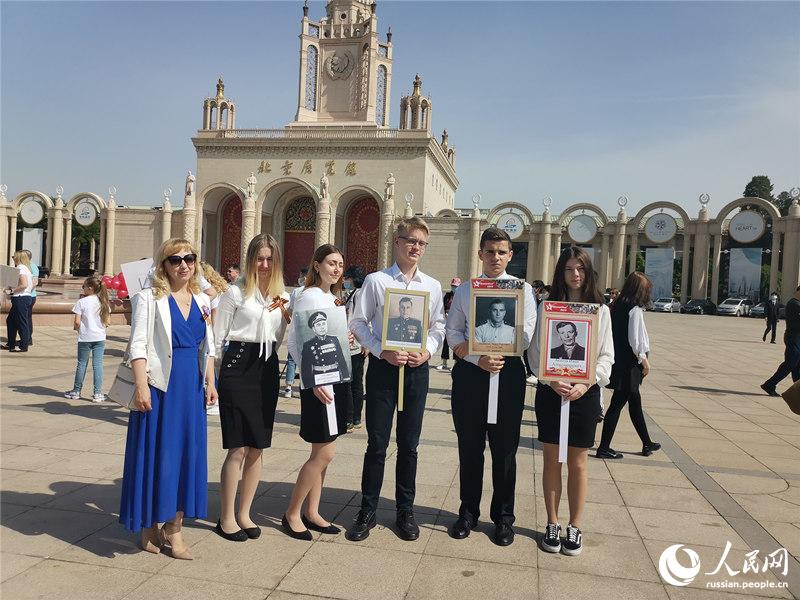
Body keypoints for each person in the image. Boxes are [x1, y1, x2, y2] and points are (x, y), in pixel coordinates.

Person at [347, 217, 446, 542]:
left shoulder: (430, 286)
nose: (416, 247)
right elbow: (359, 322)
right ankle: (368, 509)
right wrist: (379, 350)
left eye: (421, 243)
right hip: (383, 369)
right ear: (397, 242)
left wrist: (428, 351)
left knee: (410, 445)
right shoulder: (376, 281)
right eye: (411, 241)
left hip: (416, 371)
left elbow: (438, 326)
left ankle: (405, 511)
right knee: (377, 444)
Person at [119, 238, 217, 559]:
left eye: (189, 258)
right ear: (164, 265)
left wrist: (211, 382)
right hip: (160, 388)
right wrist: (141, 385)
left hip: (191, 389)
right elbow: (138, 344)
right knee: (158, 456)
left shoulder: (202, 298)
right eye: (175, 260)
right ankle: (149, 526)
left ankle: (174, 530)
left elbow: (210, 345)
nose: (184, 265)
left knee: (186, 458)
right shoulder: (150, 298)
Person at [446, 227, 536, 546]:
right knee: (470, 449)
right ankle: (468, 512)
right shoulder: (466, 290)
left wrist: (501, 351)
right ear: (480, 254)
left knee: (505, 452)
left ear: (510, 255)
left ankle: (503, 518)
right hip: (472, 375)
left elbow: (526, 335)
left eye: (502, 252)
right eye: (490, 251)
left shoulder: (522, 290)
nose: (495, 257)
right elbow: (453, 333)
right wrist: (477, 357)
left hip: (508, 373)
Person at [527, 246, 614, 556]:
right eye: (568, 269)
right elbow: (536, 351)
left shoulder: (600, 310)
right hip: (551, 392)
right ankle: (552, 522)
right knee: (551, 459)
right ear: (560, 273)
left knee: (578, 463)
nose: (575, 274)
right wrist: (550, 379)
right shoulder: (548, 307)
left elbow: (606, 356)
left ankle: (575, 525)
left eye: (580, 269)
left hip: (583, 394)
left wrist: (586, 381)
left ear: (588, 272)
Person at [213, 234, 290, 542]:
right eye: (259, 258)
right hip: (237, 364)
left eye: (270, 259)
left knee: (257, 445)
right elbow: (218, 338)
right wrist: (214, 377)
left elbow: (281, 333)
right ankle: (226, 516)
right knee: (238, 446)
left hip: (266, 367)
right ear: (250, 259)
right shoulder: (234, 292)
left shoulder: (281, 294)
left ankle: (245, 513)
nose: (264, 264)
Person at [283, 244, 349, 540]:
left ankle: (313, 511)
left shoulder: (332, 298)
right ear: (317, 265)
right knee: (324, 452)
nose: (336, 269)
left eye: (340, 264)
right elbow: (297, 342)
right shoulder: (309, 296)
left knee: (324, 451)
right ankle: (293, 513)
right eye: (331, 263)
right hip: (318, 383)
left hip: (334, 380)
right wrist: (313, 380)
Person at [595, 272, 660, 460]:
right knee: (617, 405)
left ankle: (647, 442)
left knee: (634, 403)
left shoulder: (617, 306)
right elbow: (637, 340)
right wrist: (644, 361)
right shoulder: (635, 310)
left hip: (620, 361)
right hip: (630, 365)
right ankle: (604, 447)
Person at [64, 276, 111, 402]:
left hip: (85, 337)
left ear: (90, 288)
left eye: (83, 286)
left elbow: (77, 322)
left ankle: (76, 391)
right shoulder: (103, 302)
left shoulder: (82, 302)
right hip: (99, 337)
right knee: (98, 365)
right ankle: (97, 393)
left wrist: (76, 329)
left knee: (82, 364)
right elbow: (107, 321)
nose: (83, 288)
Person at [199, 261, 229, 416]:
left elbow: (215, 318)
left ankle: (213, 397)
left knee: (212, 369)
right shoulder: (221, 290)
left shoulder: (209, 295)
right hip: (217, 335)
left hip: (212, 335)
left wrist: (216, 341)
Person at [761, 285, 800, 396]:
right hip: (793, 339)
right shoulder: (794, 304)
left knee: (797, 367)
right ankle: (769, 384)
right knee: (790, 364)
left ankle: (797, 391)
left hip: (797, 339)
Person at [342, 265, 368, 430]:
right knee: (355, 382)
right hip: (352, 344)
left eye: (348, 278)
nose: (345, 281)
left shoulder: (359, 295)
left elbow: (364, 320)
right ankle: (355, 417)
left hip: (355, 345)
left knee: (352, 383)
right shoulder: (352, 294)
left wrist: (366, 344)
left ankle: (350, 417)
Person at [300, 311, 350, 386]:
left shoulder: (334, 339)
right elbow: (305, 368)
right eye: (318, 325)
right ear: (314, 329)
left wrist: (346, 377)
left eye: (323, 323)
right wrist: (308, 384)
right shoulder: (308, 345)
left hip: (335, 375)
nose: (322, 327)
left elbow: (341, 359)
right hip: (319, 378)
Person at [3, 251, 34, 352]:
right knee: (11, 320)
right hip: (24, 297)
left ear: (18, 258)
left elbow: (23, 285)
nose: (13, 258)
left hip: (21, 297)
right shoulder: (26, 268)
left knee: (21, 322)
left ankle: (23, 346)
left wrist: (11, 291)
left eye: (14, 257)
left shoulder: (21, 268)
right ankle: (11, 344)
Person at [285, 267, 309, 398]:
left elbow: (291, 309)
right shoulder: (313, 291)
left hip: (296, 329)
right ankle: (304, 384)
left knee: (291, 360)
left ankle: (288, 387)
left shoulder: (296, 291)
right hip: (308, 330)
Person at [437, 278, 461, 372]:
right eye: (453, 286)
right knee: (446, 342)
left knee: (456, 342)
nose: (454, 288)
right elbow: (442, 307)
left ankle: (455, 363)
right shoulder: (447, 295)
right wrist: (445, 314)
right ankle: (444, 362)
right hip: (447, 321)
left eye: (455, 286)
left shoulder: (460, 296)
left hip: (457, 322)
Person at [23, 249, 39, 346]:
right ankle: (26, 338)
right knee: (25, 317)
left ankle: (28, 339)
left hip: (30, 296)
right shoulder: (23, 266)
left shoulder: (32, 266)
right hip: (26, 295)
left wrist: (26, 290)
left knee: (26, 317)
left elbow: (35, 282)